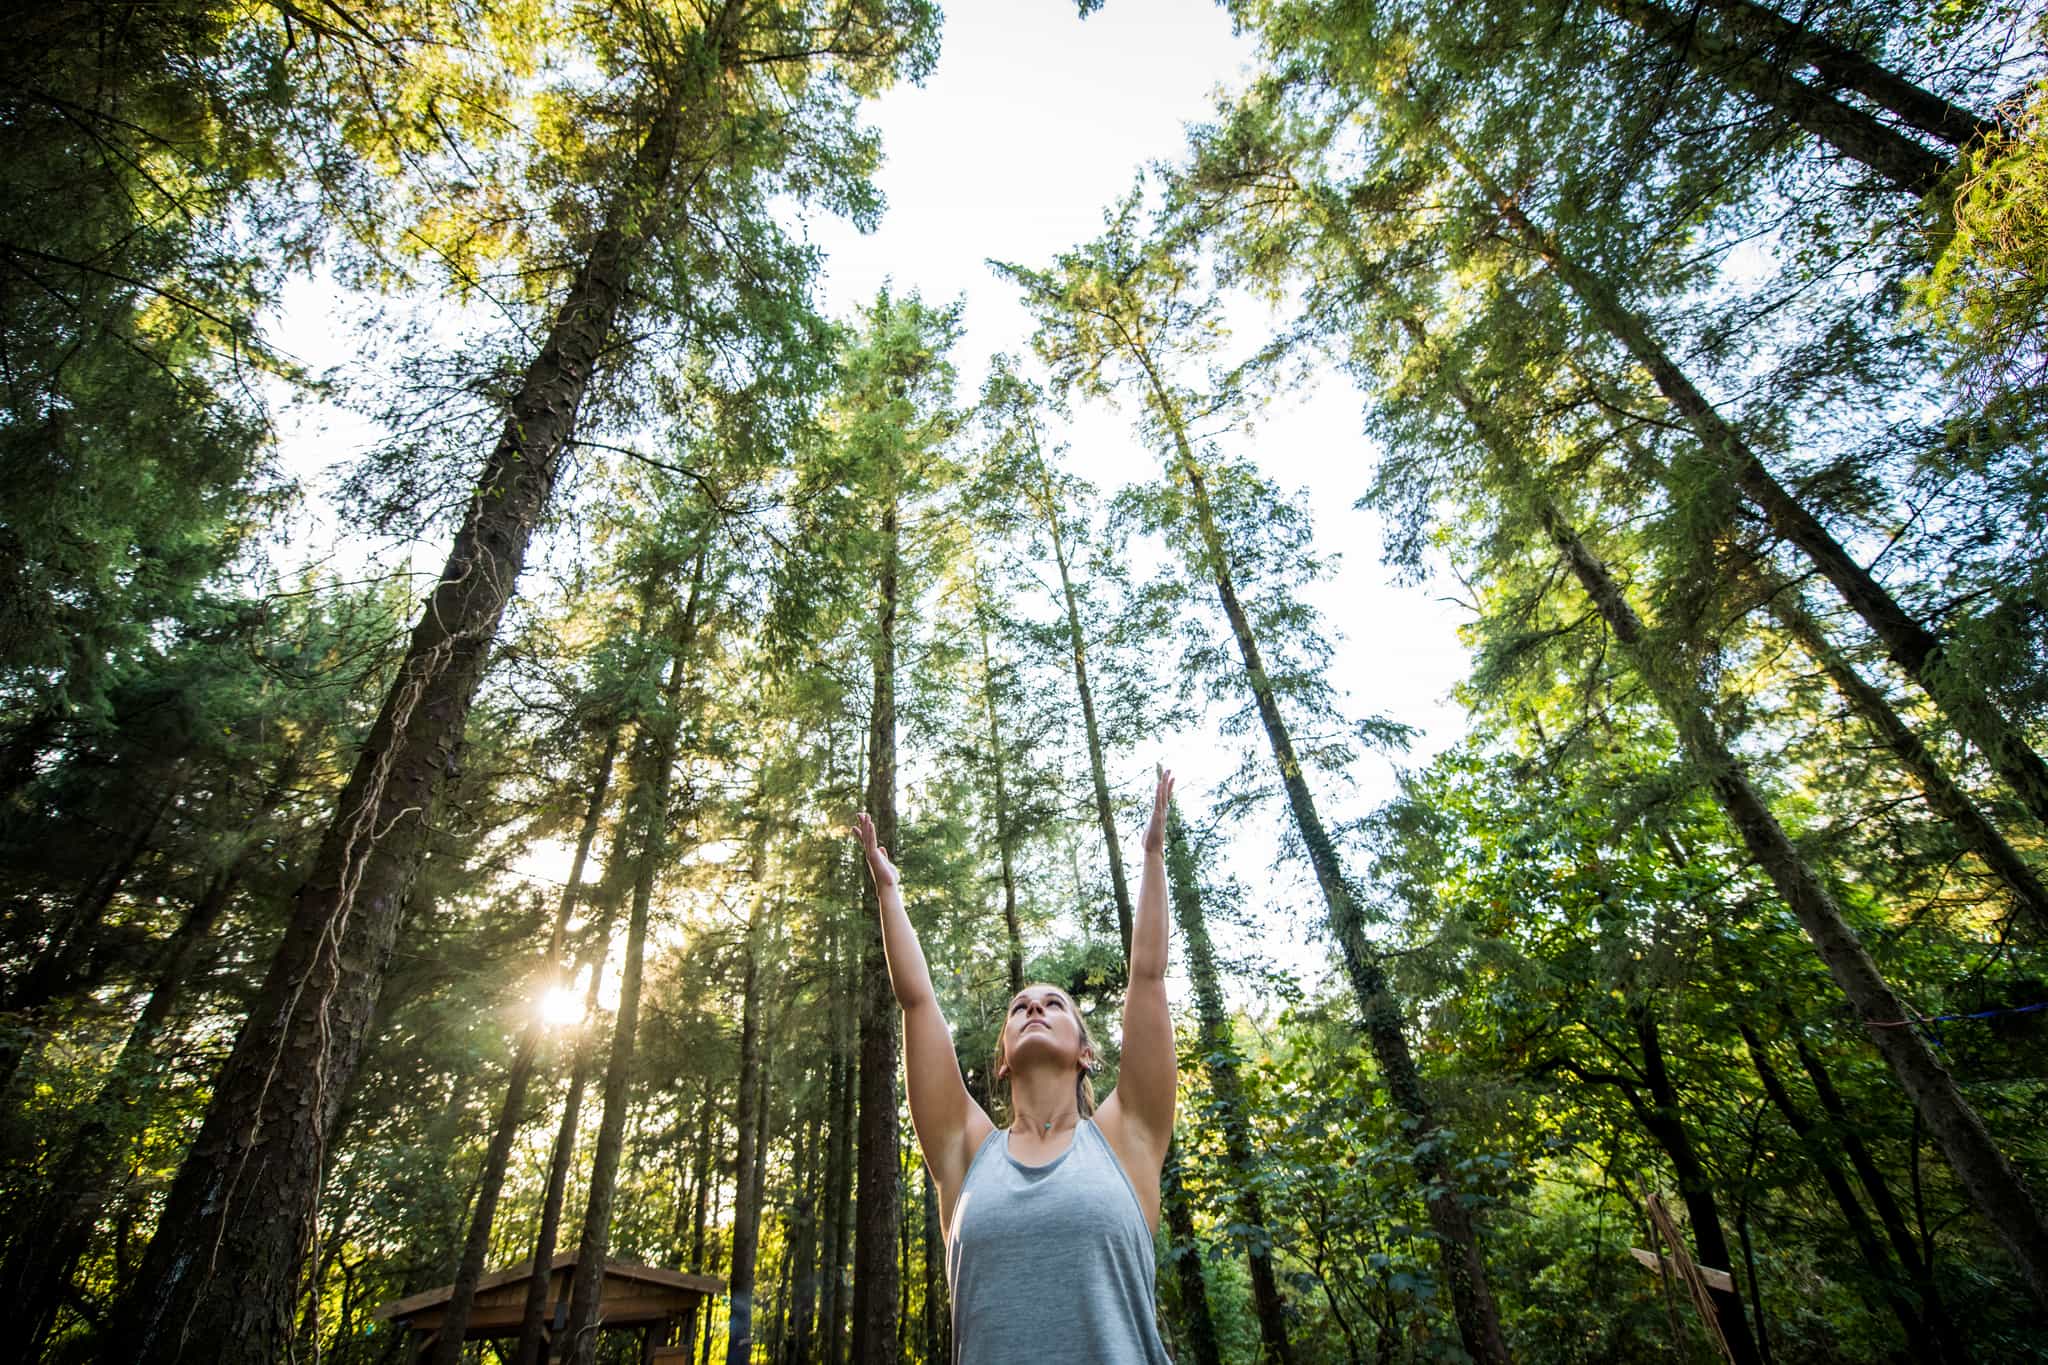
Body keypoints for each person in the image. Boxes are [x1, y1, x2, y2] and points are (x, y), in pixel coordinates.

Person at [853, 766, 1177, 1364]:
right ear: (1001, 1061)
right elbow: (918, 1002)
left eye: (1054, 1004)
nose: (1034, 1006)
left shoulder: (1125, 1137)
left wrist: (1153, 856)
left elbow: (1148, 977)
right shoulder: (968, 1152)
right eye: (1020, 1006)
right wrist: (888, 891)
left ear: (1085, 1051)